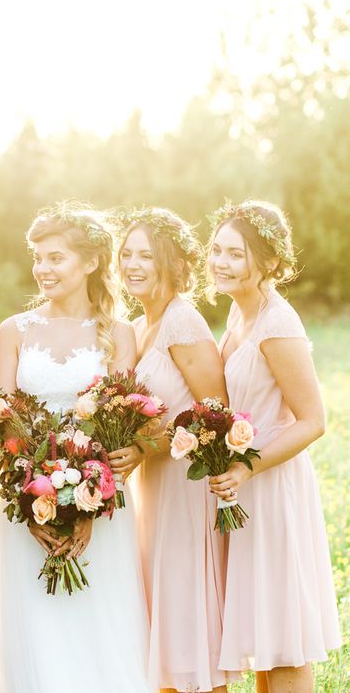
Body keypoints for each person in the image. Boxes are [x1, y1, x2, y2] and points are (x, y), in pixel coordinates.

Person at [0, 203, 150, 693]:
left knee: (101, 626)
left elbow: (120, 424)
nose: (42, 269)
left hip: (101, 505)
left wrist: (87, 504)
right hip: (24, 500)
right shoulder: (13, 330)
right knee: (36, 626)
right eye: (38, 258)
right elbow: (3, 422)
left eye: (55, 258)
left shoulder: (120, 334)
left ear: (90, 262)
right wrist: (31, 503)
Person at [207, 200, 340, 693]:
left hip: (272, 484)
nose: (220, 262)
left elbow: (313, 421)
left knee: (281, 638)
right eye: (217, 250)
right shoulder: (240, 317)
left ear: (265, 261)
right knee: (264, 630)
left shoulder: (277, 324)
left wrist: (247, 467)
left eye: (235, 254)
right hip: (245, 489)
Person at [117, 207, 231, 692]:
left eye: (146, 255)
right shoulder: (142, 326)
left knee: (188, 629)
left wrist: (148, 445)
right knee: (165, 627)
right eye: (126, 254)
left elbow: (216, 412)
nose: (133, 264)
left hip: (186, 489)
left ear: (171, 263)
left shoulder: (183, 322)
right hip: (154, 489)